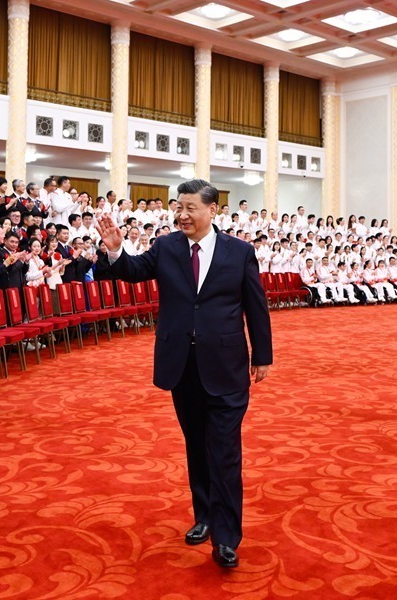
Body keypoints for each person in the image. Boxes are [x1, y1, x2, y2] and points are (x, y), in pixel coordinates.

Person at [98, 178, 272, 569]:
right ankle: (204, 516)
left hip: (226, 366)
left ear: (213, 210)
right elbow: (133, 270)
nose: (182, 215)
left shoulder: (239, 252)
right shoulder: (166, 246)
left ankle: (226, 538)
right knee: (197, 445)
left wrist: (262, 355)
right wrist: (115, 251)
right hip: (182, 366)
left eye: (191, 207)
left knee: (224, 452)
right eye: (179, 207)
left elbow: (255, 305)